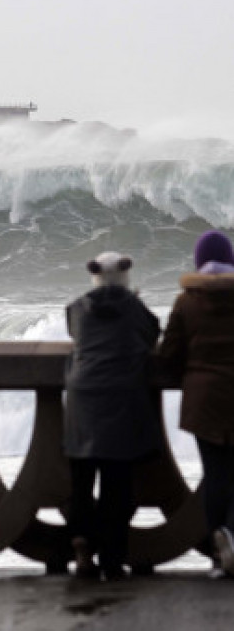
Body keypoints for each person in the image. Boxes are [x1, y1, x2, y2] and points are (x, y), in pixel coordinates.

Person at [64, 251, 161, 578]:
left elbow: (73, 330)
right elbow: (152, 332)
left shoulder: (78, 309)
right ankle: (111, 557)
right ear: (125, 274)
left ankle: (80, 541)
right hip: (120, 400)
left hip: (81, 399)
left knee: (81, 477)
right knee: (116, 483)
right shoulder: (133, 309)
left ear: (94, 275)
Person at [158, 229, 234, 577]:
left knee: (216, 475)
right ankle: (229, 536)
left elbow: (169, 356)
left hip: (204, 402)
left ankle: (219, 556)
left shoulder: (186, 301)